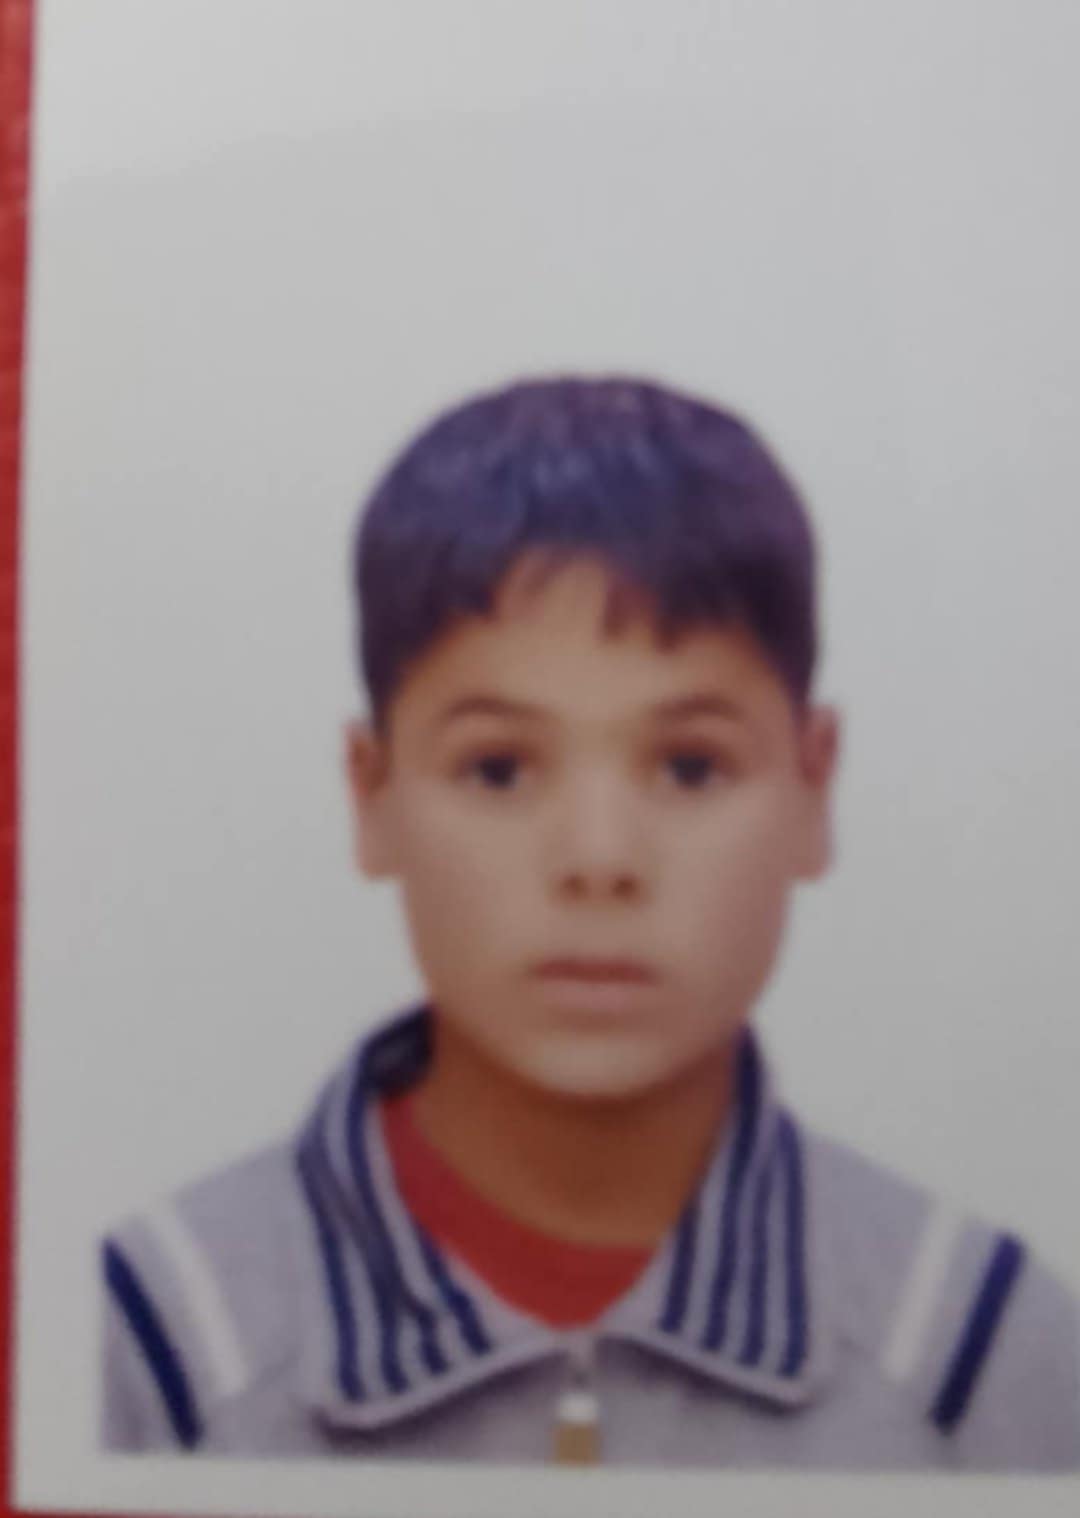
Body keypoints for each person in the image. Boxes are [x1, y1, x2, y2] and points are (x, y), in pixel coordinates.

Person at [101, 376, 1080, 1468]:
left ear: (815, 788)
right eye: (499, 770)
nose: (600, 860)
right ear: (371, 796)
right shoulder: (156, 1345)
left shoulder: (977, 1354)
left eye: (691, 767)